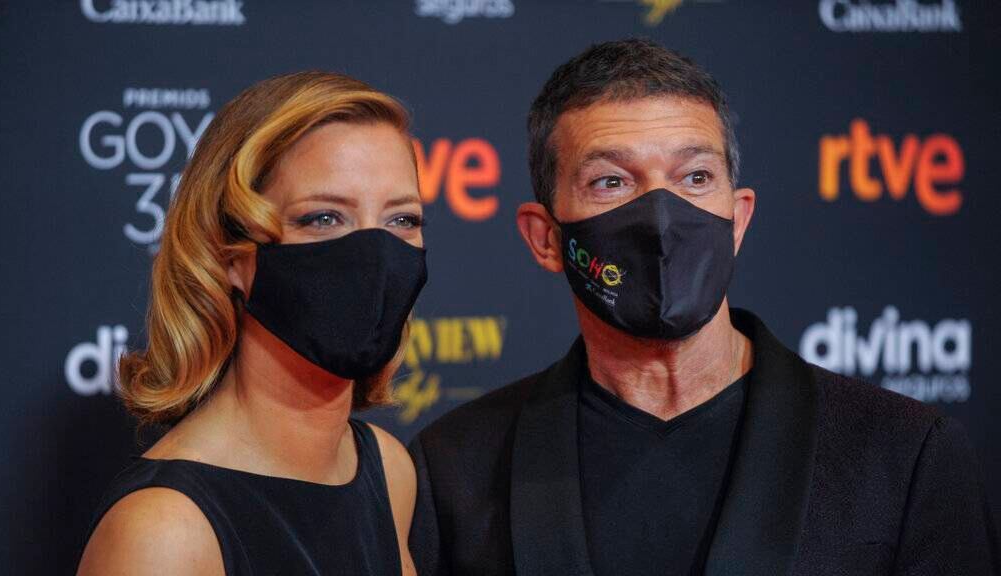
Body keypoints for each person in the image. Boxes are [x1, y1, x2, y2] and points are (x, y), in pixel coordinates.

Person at [407, 39, 998, 575]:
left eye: (694, 177)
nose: (661, 217)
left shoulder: (905, 455)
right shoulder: (455, 468)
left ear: (737, 220)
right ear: (546, 238)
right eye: (612, 182)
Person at [78, 71, 426, 575]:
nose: (375, 256)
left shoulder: (389, 471)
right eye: (324, 218)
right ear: (230, 257)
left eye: (402, 220)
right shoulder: (163, 532)